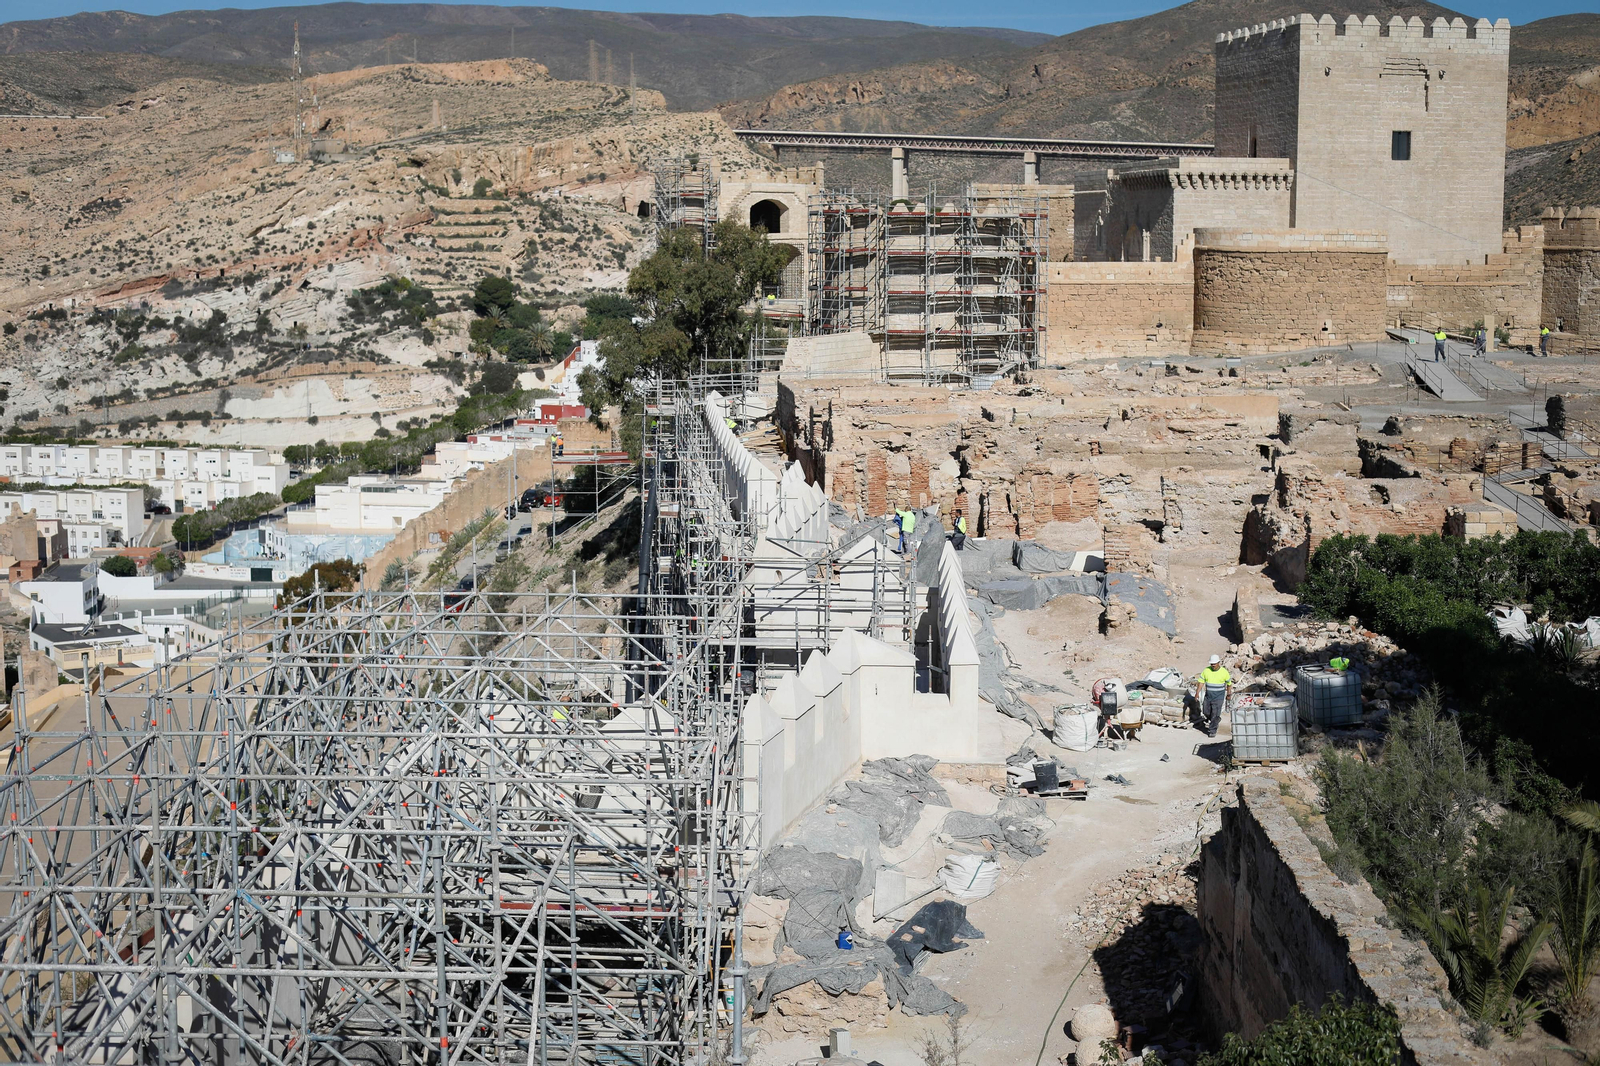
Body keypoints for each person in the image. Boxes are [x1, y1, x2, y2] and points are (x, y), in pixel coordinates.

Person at [1194, 654, 1232, 738]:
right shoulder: (1206, 671)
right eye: (1211, 664)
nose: (1213, 665)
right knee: (1205, 711)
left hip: (1219, 696)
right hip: (1208, 695)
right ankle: (1216, 719)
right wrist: (1197, 693)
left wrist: (1229, 694)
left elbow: (1229, 684)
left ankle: (1212, 730)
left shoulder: (1224, 672)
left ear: (1219, 663)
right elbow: (1201, 682)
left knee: (1215, 713)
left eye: (1214, 663)